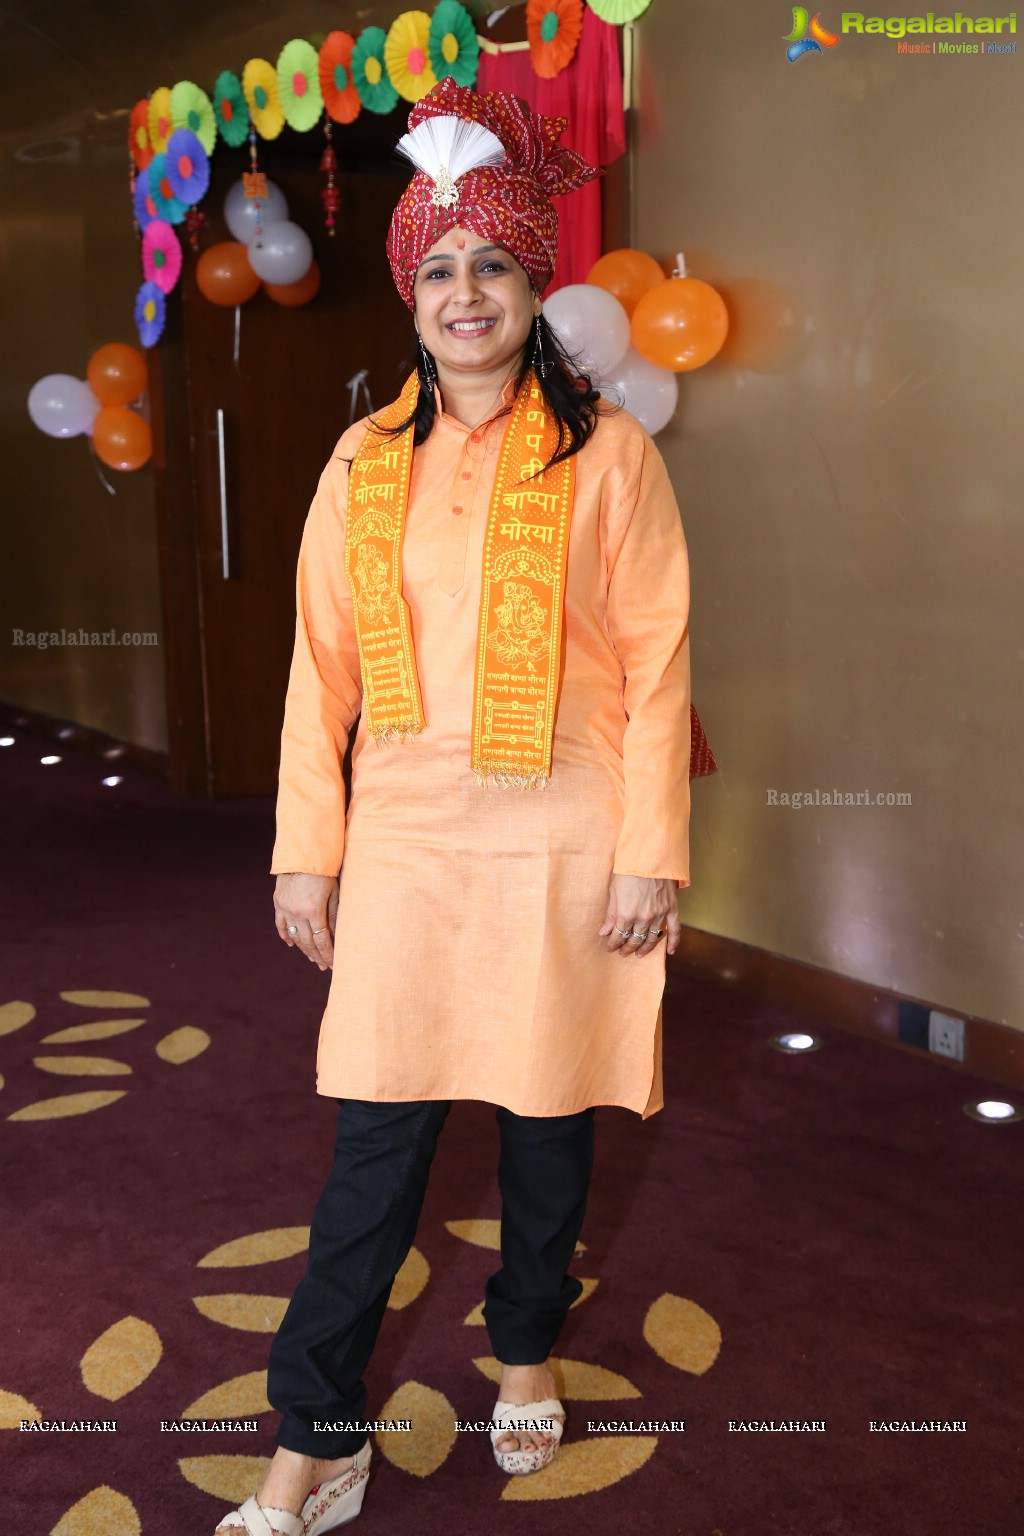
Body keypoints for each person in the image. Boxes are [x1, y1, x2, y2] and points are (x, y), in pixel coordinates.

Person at [215, 77, 697, 1536]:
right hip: (412, 849)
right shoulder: (361, 462)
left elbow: (664, 657)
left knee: (549, 1130)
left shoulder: (607, 452)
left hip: (567, 839)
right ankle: (319, 1442)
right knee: (374, 1150)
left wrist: (649, 854)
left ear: (531, 282)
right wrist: (309, 854)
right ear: (408, 297)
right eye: (437, 267)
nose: (465, 291)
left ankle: (528, 1347)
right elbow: (319, 673)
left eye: (492, 262)